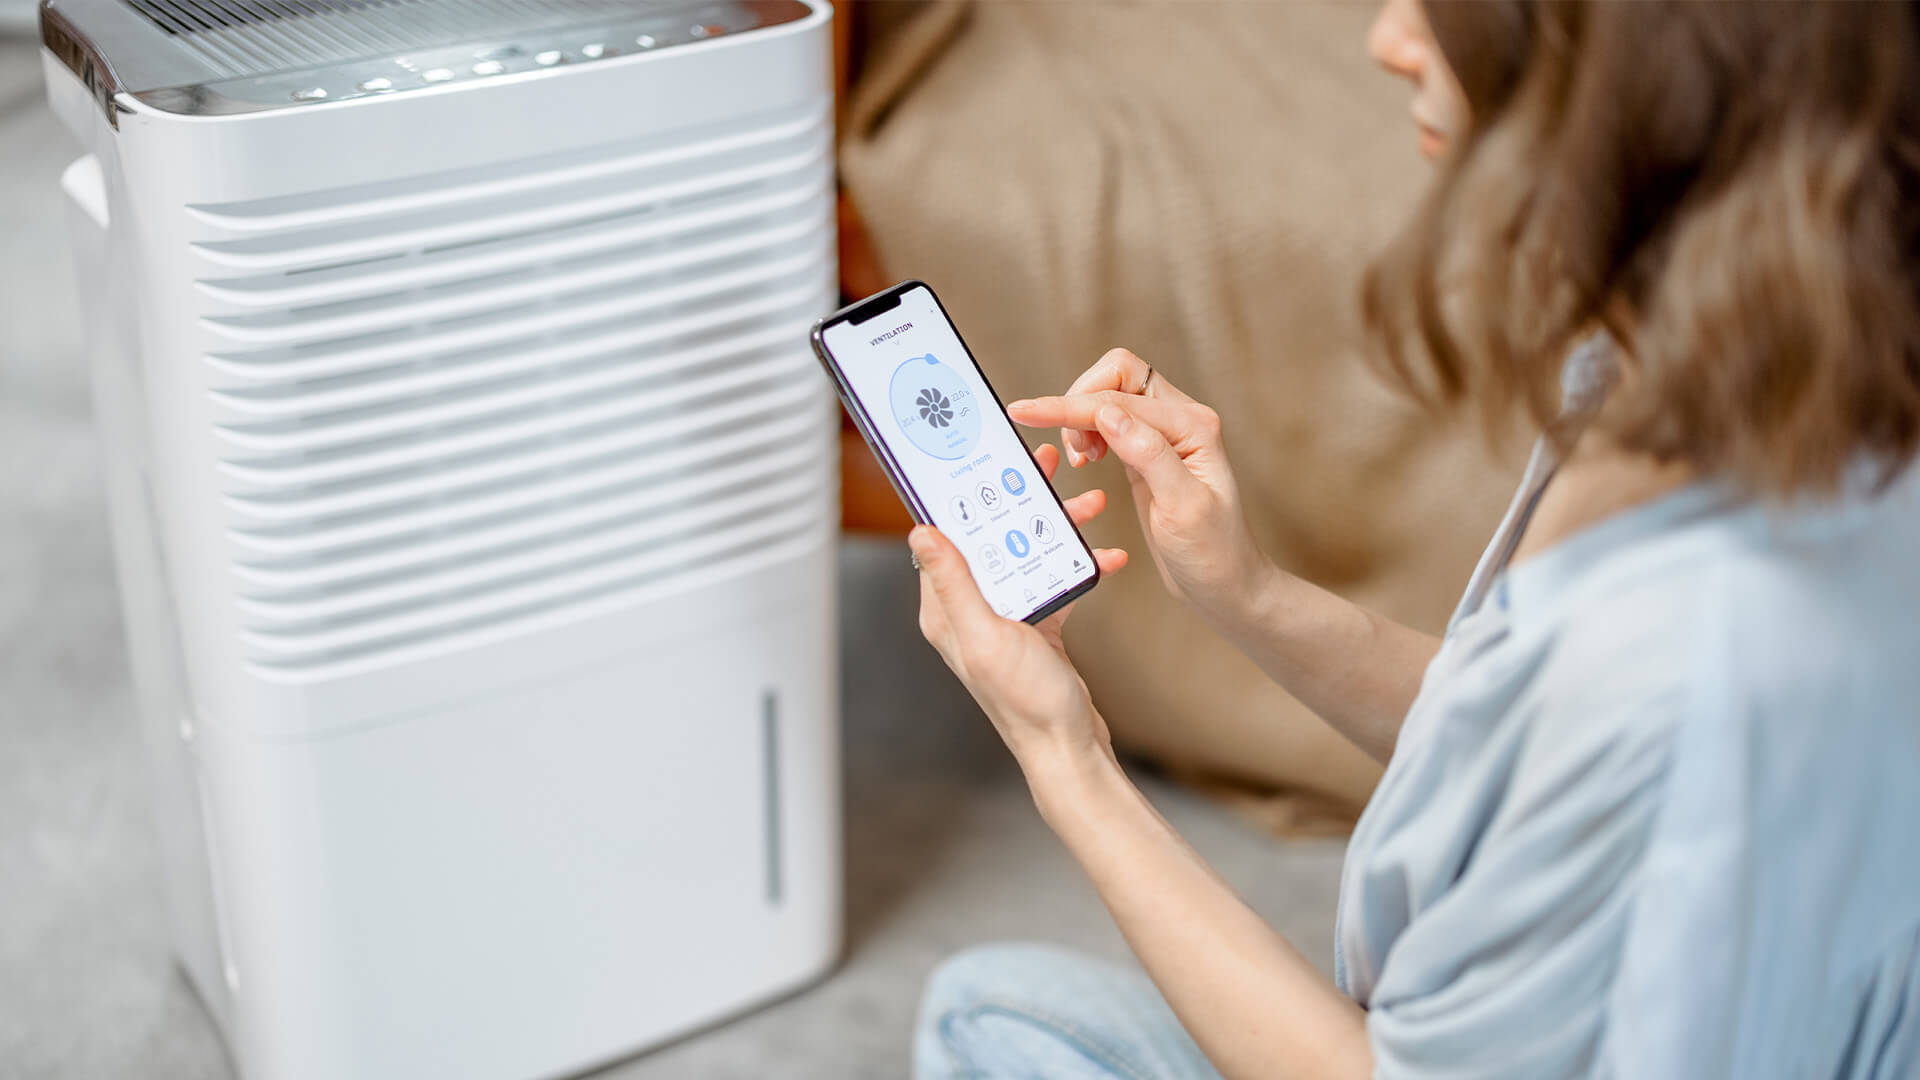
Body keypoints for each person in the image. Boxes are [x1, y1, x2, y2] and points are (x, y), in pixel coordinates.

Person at [904, 0, 1920, 1076]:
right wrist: (1246, 593)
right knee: (995, 1004)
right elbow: (1527, 740)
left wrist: (1065, 755)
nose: (1390, 37)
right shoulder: (1722, 374)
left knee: (986, 1026)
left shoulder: (1685, 650)